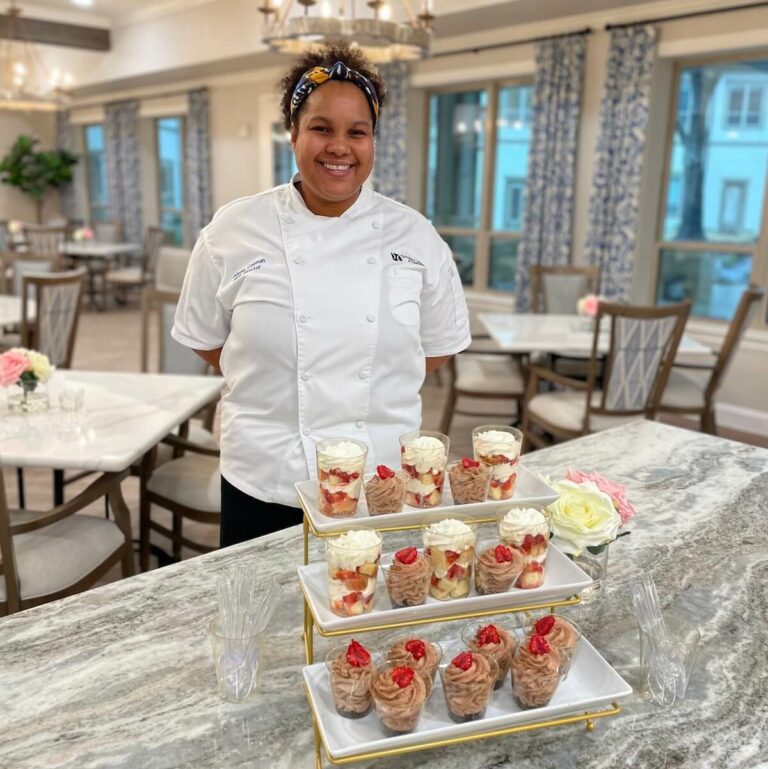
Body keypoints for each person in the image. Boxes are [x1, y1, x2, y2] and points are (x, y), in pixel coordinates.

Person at [172, 44, 471, 548]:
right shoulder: (233, 229)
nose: (339, 146)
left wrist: (374, 369)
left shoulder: (415, 236)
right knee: (262, 618)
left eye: (357, 132)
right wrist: (271, 371)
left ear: (373, 142)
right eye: (321, 128)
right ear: (293, 134)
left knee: (370, 613)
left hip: (380, 478)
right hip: (265, 473)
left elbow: (437, 348)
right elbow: (204, 337)